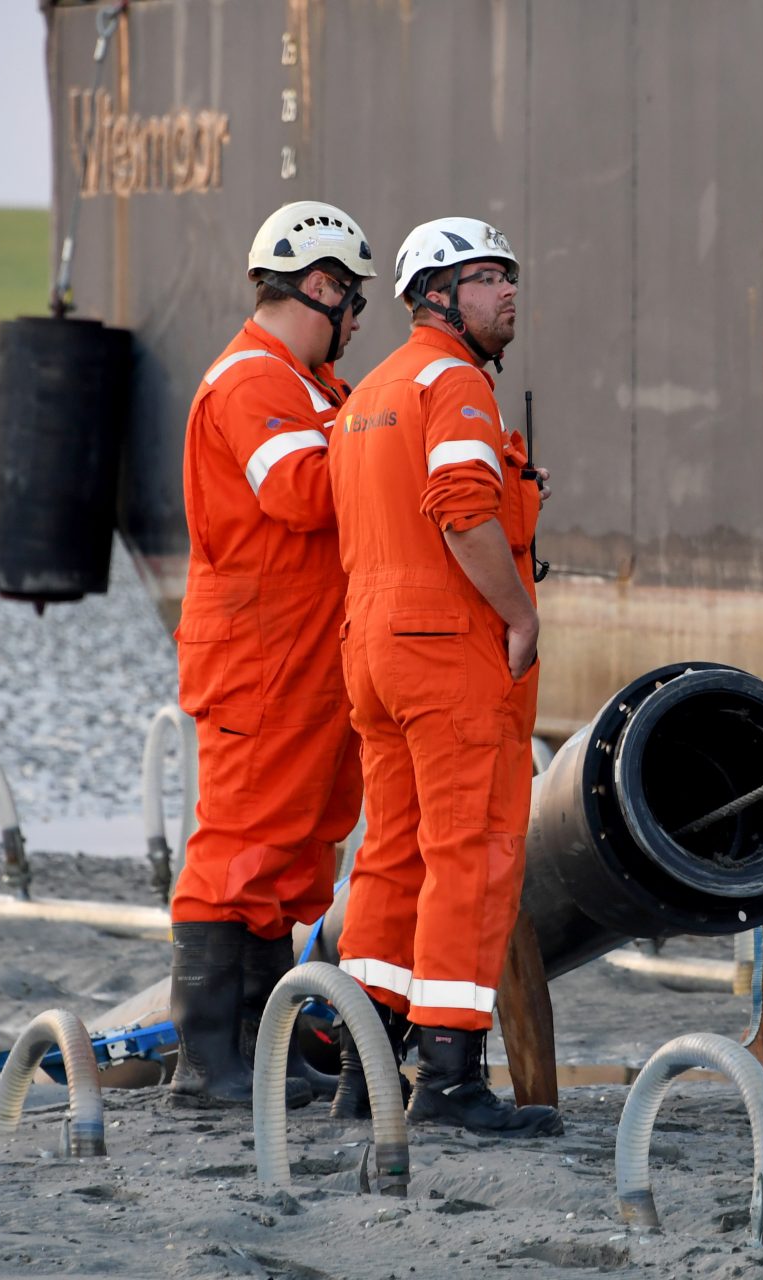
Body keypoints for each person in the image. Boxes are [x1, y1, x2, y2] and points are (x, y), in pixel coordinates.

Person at [325, 217, 560, 1138]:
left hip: (372, 651)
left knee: (391, 852)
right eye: (487, 276)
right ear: (436, 294)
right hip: (445, 650)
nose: (508, 290)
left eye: (510, 273)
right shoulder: (453, 382)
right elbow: (464, 510)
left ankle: (365, 1070)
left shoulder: (367, 392)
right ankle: (452, 1078)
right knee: (474, 849)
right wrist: (519, 614)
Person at [168, 200, 372, 1107]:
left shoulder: (311, 386)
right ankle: (207, 1065)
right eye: (353, 302)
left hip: (305, 654)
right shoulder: (255, 381)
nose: (358, 324)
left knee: (290, 859)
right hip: (260, 655)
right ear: (320, 287)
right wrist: (384, 437)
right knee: (239, 852)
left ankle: (260, 1050)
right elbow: (298, 489)